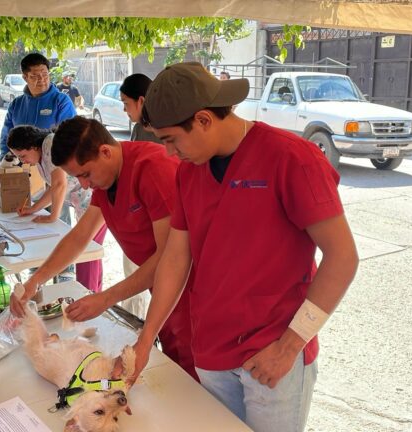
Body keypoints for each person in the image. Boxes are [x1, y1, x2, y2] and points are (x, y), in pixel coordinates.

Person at [128, 62, 359, 432]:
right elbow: (176, 256)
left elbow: (343, 257)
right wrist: (146, 338)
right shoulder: (191, 170)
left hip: (272, 353)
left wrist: (289, 346)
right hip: (211, 349)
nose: (169, 154)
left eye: (171, 139)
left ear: (203, 120)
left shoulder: (291, 158)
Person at [9, 116, 197, 380]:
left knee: (195, 385)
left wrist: (106, 298)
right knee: (172, 372)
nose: (84, 185)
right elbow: (80, 235)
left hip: (192, 294)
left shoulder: (153, 168)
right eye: (78, 178)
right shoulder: (107, 176)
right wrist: (36, 280)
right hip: (161, 292)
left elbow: (172, 258)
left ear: (105, 152)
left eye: (85, 175)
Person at [6, 125, 106, 293]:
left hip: (95, 201)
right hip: (85, 202)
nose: (22, 161)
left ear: (33, 146)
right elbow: (53, 188)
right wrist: (33, 208)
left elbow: (60, 184)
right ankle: (92, 293)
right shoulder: (41, 156)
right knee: (89, 252)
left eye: (23, 155)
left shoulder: (50, 145)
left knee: (86, 253)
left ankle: (88, 294)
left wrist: (53, 216)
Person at [0, 53, 76, 159]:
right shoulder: (16, 104)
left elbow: (70, 137)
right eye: (34, 76)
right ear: (25, 77)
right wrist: (5, 160)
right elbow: (6, 139)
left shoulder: (61, 101)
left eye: (45, 74)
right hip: (21, 167)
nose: (41, 79)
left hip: (53, 165)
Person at [119, 73, 161, 144]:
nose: (124, 109)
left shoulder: (169, 132)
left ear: (141, 101)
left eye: (126, 103)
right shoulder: (138, 129)